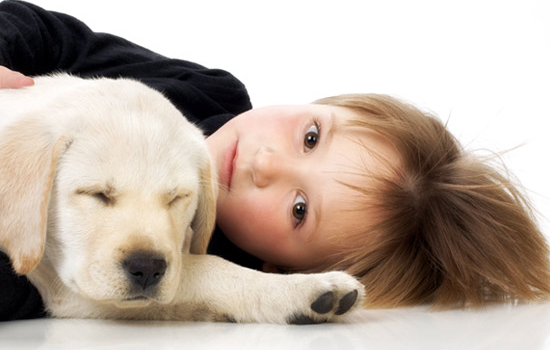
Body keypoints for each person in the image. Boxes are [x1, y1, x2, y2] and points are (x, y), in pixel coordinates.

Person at [1, 0, 550, 321]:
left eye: (299, 209)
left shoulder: (213, 255)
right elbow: (54, 35)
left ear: (282, 268)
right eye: (311, 137)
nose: (265, 164)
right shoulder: (206, 91)